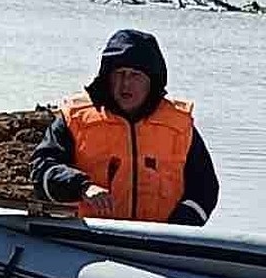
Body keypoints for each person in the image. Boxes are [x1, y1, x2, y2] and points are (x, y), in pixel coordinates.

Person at [31, 29, 219, 226]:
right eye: (119, 73)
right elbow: (42, 168)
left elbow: (205, 189)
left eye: (135, 75)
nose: (125, 83)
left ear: (151, 80)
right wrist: (82, 187)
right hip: (87, 238)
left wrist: (179, 227)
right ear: (107, 77)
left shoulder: (179, 125)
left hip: (162, 243)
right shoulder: (76, 118)